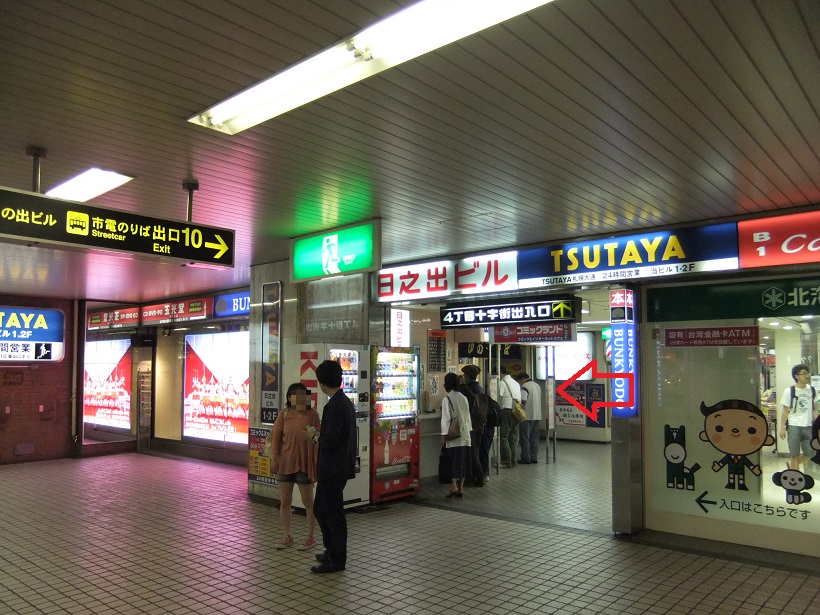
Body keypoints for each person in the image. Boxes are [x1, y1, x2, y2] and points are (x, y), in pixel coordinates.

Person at [304, 360, 357, 573]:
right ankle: (331, 550)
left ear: (322, 383)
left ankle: (337, 559)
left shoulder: (334, 406)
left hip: (333, 468)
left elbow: (331, 440)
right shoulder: (344, 402)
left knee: (333, 513)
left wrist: (315, 437)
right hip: (339, 466)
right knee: (322, 509)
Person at [270, 382, 320, 550]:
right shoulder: (284, 415)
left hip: (305, 464)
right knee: (285, 501)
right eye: (294, 396)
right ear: (289, 398)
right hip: (285, 463)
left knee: (308, 502)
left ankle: (311, 536)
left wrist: (315, 463)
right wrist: (274, 458)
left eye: (302, 395)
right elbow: (275, 438)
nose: (298, 399)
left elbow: (319, 439)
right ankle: (287, 535)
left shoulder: (312, 415)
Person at [779, 364, 820, 471]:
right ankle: (795, 480)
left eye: (808, 373)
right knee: (794, 454)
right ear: (796, 376)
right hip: (794, 426)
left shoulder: (812, 390)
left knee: (811, 452)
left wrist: (818, 426)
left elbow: (815, 410)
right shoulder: (789, 391)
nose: (807, 376)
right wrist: (782, 427)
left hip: (808, 426)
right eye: (804, 374)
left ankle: (790, 465)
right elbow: (785, 410)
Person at [441, 372, 472, 498]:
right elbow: (467, 416)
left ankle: (453, 486)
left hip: (453, 436)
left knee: (452, 461)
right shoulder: (463, 397)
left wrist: (443, 436)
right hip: (465, 435)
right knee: (463, 461)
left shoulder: (447, 399)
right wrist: (468, 431)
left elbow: (446, 419)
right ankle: (461, 488)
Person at [459, 365, 485, 486]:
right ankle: (475, 476)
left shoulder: (465, 389)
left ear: (467, 376)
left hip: (470, 424)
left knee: (471, 452)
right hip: (480, 424)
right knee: (476, 450)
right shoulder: (480, 388)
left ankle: (478, 477)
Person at [496, 365, 521, 468]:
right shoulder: (515, 383)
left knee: (504, 436)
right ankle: (514, 460)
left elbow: (499, 398)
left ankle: (506, 461)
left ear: (500, 373)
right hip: (516, 411)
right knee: (513, 437)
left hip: (506, 411)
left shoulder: (502, 382)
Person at [516, 373, 542, 464]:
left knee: (525, 437)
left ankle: (526, 457)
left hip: (527, 415)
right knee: (534, 437)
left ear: (522, 379)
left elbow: (523, 399)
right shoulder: (537, 385)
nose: (519, 383)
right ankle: (534, 457)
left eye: (519, 381)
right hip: (537, 415)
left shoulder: (525, 386)